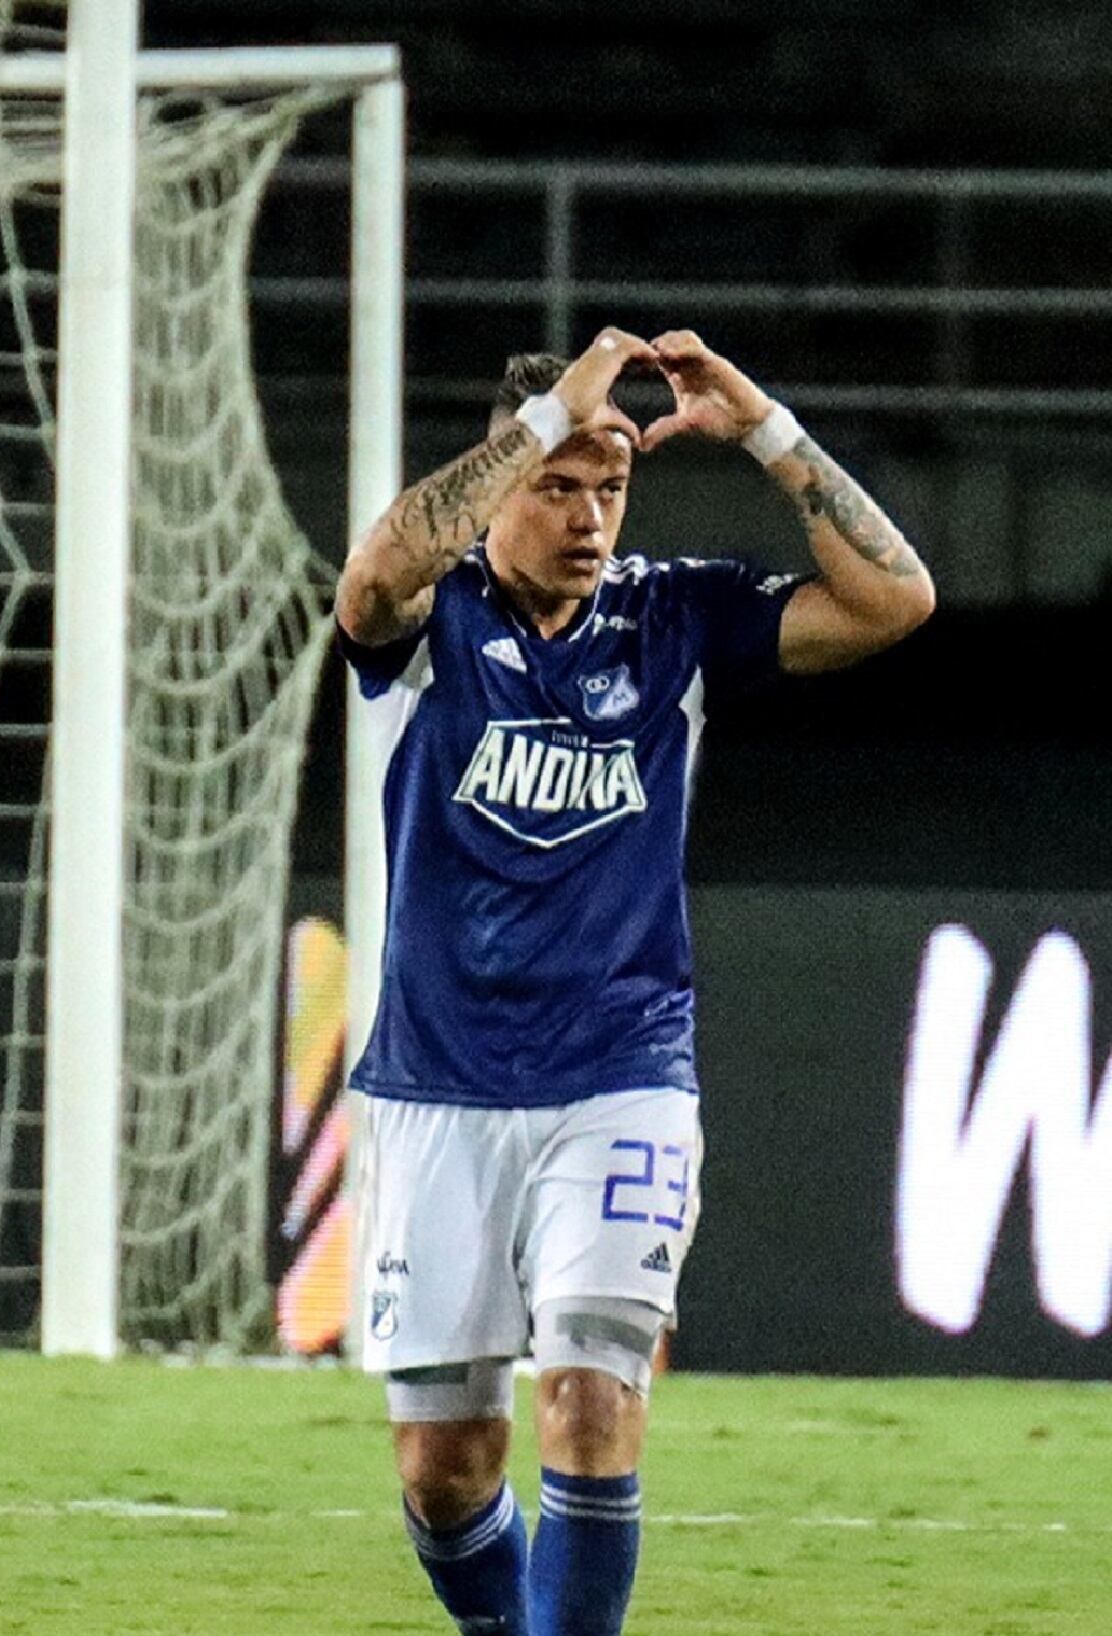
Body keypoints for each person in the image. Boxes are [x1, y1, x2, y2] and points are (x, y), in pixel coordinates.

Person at [336, 328, 934, 1636]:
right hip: (438, 1084)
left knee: (594, 1402)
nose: (590, 513)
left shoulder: (675, 616)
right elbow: (369, 581)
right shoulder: (441, 615)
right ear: (505, 483)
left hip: (622, 1074)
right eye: (560, 482)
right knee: (445, 1473)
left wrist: (768, 429)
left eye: (611, 486)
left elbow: (896, 601)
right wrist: (546, 418)